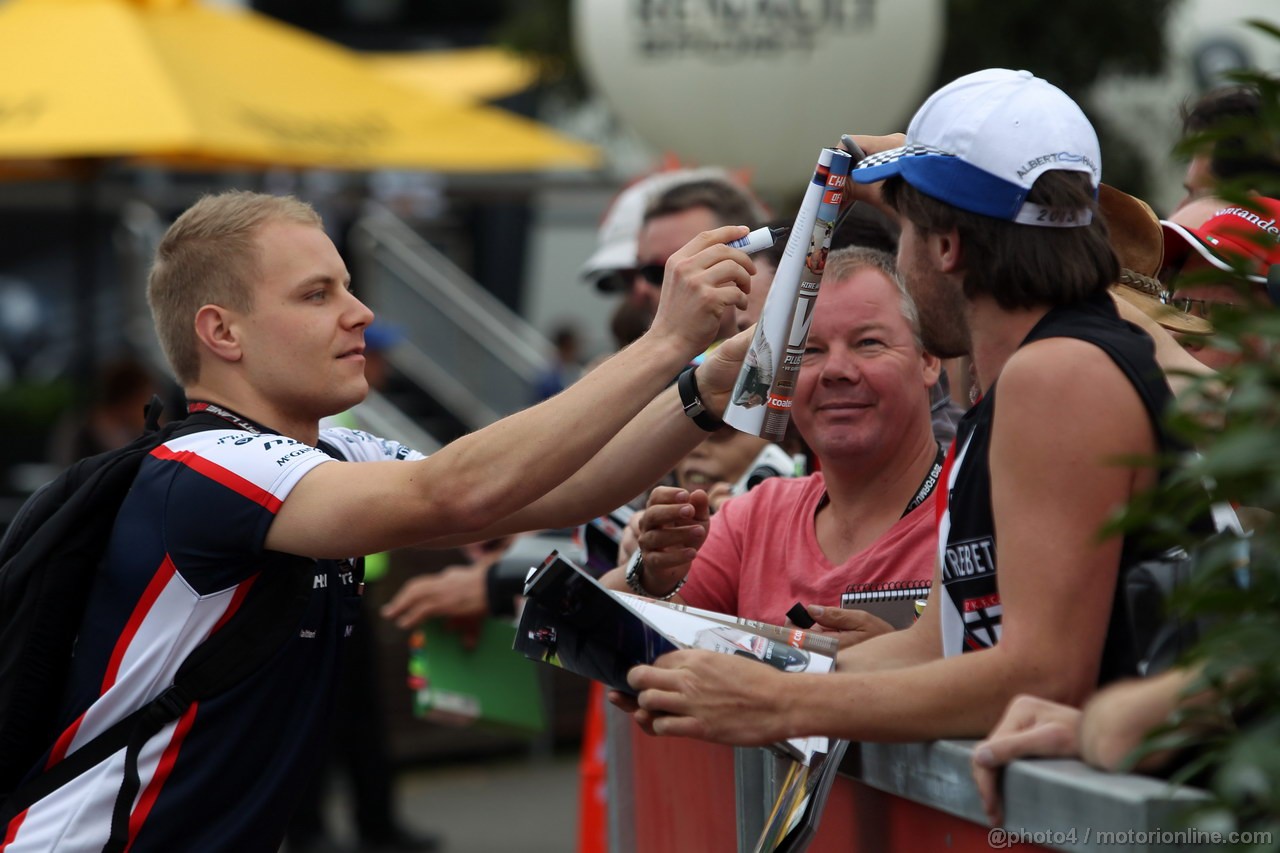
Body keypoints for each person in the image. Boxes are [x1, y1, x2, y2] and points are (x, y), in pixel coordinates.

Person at [2, 190, 758, 851]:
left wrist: (705, 388)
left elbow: (563, 486)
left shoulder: (330, 448)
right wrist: (664, 342)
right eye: (316, 294)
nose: (360, 311)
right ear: (222, 333)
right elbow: (457, 492)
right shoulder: (208, 465)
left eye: (349, 286)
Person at [622, 68, 1177, 747]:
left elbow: (1042, 674)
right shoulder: (1037, 373)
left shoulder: (1055, 373)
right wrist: (731, 673)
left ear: (945, 247)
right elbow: (936, 646)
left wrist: (780, 702)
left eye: (906, 228)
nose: (902, 253)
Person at [605, 247, 941, 643]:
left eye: (867, 343)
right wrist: (652, 574)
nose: (836, 370)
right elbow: (595, 633)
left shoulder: (982, 513)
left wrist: (898, 663)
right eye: (809, 350)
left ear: (928, 360)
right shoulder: (756, 518)